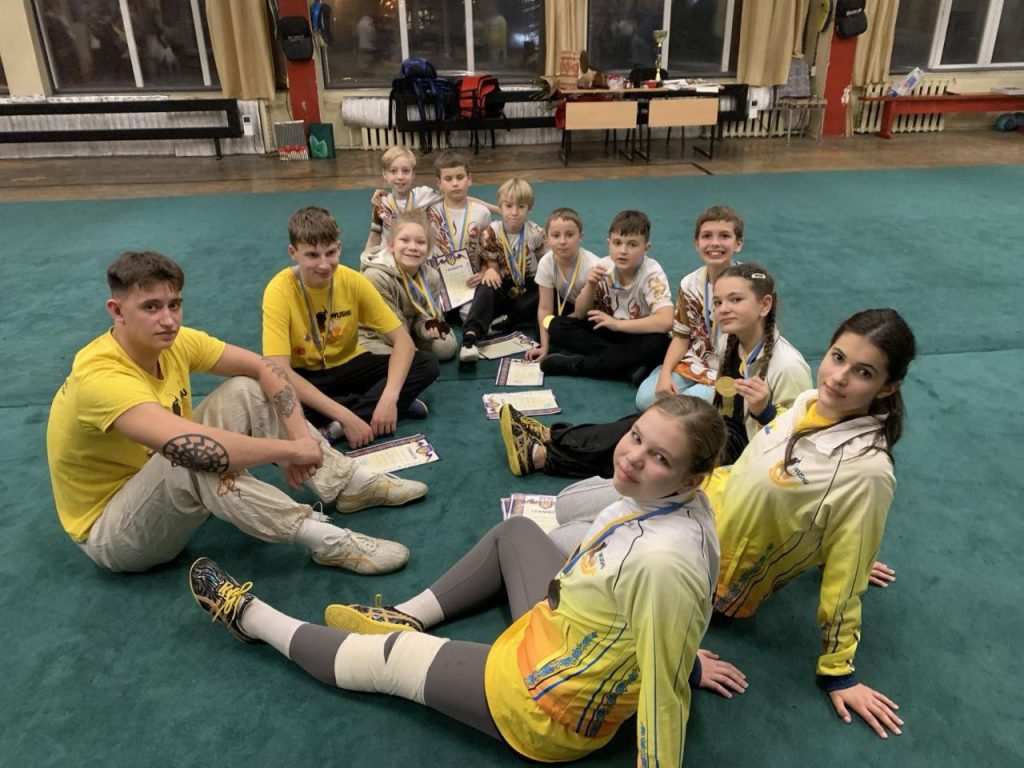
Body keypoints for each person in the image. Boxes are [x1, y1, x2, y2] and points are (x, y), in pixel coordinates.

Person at [188, 396, 746, 765]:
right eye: (637, 436)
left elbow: (664, 699)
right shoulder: (677, 504)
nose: (632, 458)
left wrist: (677, 665)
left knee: (385, 661)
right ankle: (404, 613)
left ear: (692, 479)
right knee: (517, 533)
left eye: (658, 457)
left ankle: (249, 617)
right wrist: (684, 655)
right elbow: (667, 617)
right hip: (562, 626)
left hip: (547, 705)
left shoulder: (662, 561)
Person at [554, 309, 916, 739]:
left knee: (559, 548)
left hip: (703, 559)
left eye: (863, 372)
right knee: (567, 503)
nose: (838, 377)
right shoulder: (807, 402)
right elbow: (792, 479)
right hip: (697, 497)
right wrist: (767, 415)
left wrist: (838, 672)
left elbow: (846, 575)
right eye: (838, 357)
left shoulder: (868, 472)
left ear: (887, 386)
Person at [46, 251, 424, 576]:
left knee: (246, 389)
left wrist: (301, 437)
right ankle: (327, 540)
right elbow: (193, 448)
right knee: (193, 457)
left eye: (174, 304)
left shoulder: (174, 341)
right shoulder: (101, 376)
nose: (168, 320)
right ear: (117, 311)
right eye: (151, 307)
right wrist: (291, 451)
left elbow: (264, 367)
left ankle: (346, 484)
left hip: (158, 482)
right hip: (114, 532)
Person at [499, 262, 811, 477]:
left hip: (750, 455)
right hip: (726, 427)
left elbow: (800, 444)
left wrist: (765, 411)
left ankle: (544, 456)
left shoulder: (787, 366)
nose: (723, 309)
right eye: (718, 302)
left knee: (660, 446)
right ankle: (553, 436)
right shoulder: (733, 340)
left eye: (736, 300)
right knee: (648, 423)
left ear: (765, 305)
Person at [262, 206, 439, 446]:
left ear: (339, 248)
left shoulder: (353, 280)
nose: (324, 264)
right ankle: (373, 407)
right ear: (293, 252)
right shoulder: (278, 289)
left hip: (349, 365)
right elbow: (279, 371)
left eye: (330, 253)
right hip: (306, 375)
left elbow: (404, 342)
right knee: (272, 406)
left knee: (426, 364)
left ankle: (338, 426)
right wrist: (347, 417)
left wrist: (389, 397)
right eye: (312, 255)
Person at [542, 210, 673, 383]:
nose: (623, 251)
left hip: (638, 333)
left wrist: (618, 325)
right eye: (617, 243)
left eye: (632, 245)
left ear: (645, 248)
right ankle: (627, 364)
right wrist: (590, 286)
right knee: (557, 325)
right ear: (609, 243)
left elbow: (666, 321)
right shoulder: (603, 266)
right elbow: (580, 314)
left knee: (660, 343)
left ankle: (579, 365)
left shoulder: (652, 273)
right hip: (609, 331)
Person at [637, 204, 745, 410]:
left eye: (724, 236)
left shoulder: (748, 285)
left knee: (683, 410)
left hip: (732, 372)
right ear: (697, 244)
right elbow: (681, 336)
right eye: (707, 236)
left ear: (738, 243)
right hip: (695, 363)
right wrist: (665, 374)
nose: (715, 243)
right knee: (645, 400)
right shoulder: (689, 284)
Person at [459, 177, 546, 363]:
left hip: (527, 287)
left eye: (521, 207)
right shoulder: (490, 233)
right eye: (508, 206)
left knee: (544, 288)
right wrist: (490, 271)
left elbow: (546, 264)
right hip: (503, 284)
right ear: (500, 206)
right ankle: (470, 337)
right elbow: (492, 267)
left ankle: (508, 320)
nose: (514, 212)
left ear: (529, 208)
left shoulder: (537, 233)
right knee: (487, 284)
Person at [360, 210, 457, 361]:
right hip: (376, 335)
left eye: (420, 242)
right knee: (410, 361)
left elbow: (426, 314)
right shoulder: (376, 276)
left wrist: (427, 328)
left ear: (428, 249)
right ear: (391, 245)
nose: (413, 247)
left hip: (408, 328)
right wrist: (409, 350)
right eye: (405, 240)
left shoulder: (431, 276)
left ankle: (411, 355)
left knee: (446, 347)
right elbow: (387, 329)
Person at [426, 150, 494, 323]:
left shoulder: (482, 213)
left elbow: (488, 253)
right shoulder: (429, 211)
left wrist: (483, 272)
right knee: (428, 319)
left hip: (470, 283)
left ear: (469, 179)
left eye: (460, 177)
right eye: (448, 179)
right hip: (438, 285)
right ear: (439, 182)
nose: (455, 183)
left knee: (473, 316)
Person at [526, 208, 600, 362]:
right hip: (567, 305)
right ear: (547, 238)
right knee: (542, 325)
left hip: (592, 312)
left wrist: (560, 322)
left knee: (556, 327)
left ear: (581, 237)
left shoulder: (592, 265)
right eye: (556, 235)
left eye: (570, 235)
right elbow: (544, 308)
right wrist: (544, 347)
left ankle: (602, 352)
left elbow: (587, 312)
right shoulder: (546, 262)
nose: (562, 241)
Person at [363, 147, 441, 251]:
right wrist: (366, 259)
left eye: (406, 171)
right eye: (393, 171)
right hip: (388, 257)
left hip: (414, 253)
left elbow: (450, 194)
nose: (400, 177)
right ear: (385, 174)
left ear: (413, 174)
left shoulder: (424, 195)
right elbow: (374, 236)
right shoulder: (381, 203)